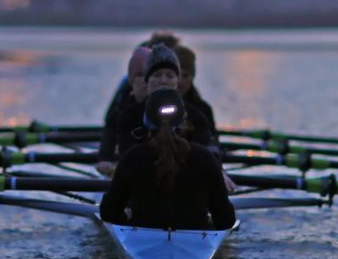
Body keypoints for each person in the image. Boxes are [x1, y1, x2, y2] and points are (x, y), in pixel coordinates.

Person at [99, 88, 236, 231]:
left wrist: (126, 221)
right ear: (183, 120)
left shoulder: (133, 157)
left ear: (146, 121)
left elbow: (109, 213)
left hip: (143, 238)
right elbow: (226, 221)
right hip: (195, 240)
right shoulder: (204, 157)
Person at [111, 43, 217, 157]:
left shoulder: (196, 116)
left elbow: (208, 154)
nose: (163, 81)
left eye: (170, 76)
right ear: (147, 81)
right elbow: (127, 156)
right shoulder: (129, 116)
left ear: (177, 81)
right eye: (157, 75)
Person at [97, 46, 151, 165]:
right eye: (140, 75)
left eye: (148, 75)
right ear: (132, 79)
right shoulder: (124, 96)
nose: (145, 81)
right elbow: (110, 129)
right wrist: (104, 159)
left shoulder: (167, 99)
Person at [172, 44, 217, 141]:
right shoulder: (155, 105)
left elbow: (212, 142)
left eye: (185, 75)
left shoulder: (204, 109)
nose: (180, 81)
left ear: (192, 78)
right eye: (176, 74)